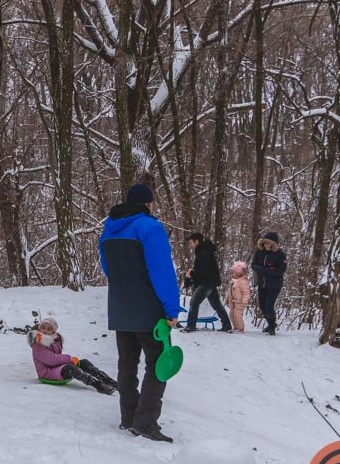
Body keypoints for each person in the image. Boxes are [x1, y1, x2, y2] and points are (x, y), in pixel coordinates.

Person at [98, 183, 182, 442]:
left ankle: (129, 417)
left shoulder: (107, 232)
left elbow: (108, 269)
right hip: (149, 309)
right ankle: (145, 423)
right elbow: (161, 271)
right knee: (158, 365)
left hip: (120, 307)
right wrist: (171, 308)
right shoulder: (150, 227)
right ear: (148, 204)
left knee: (127, 364)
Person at [28, 318, 116, 394]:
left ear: (53, 331)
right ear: (39, 329)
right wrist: (69, 359)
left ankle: (109, 381)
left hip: (56, 369)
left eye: (49, 329)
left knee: (84, 363)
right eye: (43, 328)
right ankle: (98, 385)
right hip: (47, 374)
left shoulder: (54, 340)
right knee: (70, 368)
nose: (45, 330)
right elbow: (51, 359)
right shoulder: (38, 344)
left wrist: (70, 361)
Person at [182, 233, 232, 333]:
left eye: (191, 242)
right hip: (210, 282)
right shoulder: (203, 251)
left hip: (207, 283)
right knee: (216, 304)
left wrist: (191, 274)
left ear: (196, 241)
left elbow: (203, 271)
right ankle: (227, 325)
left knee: (194, 302)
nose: (190, 245)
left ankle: (190, 326)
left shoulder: (204, 253)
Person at [252, 231, 287, 335]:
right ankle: (271, 323)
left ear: (274, 244)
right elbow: (253, 265)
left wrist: (266, 271)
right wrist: (265, 269)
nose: (267, 245)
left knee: (269, 305)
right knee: (262, 305)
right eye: (265, 243)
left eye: (269, 244)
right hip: (262, 283)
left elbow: (281, 270)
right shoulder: (259, 252)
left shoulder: (280, 254)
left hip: (275, 284)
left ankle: (272, 328)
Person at [228, 261, 250, 333]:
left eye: (234, 272)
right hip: (232, 301)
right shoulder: (233, 281)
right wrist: (227, 297)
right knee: (231, 315)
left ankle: (240, 328)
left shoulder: (243, 281)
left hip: (239, 302)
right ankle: (235, 327)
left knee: (238, 316)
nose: (233, 274)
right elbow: (230, 290)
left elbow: (246, 292)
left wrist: (244, 301)